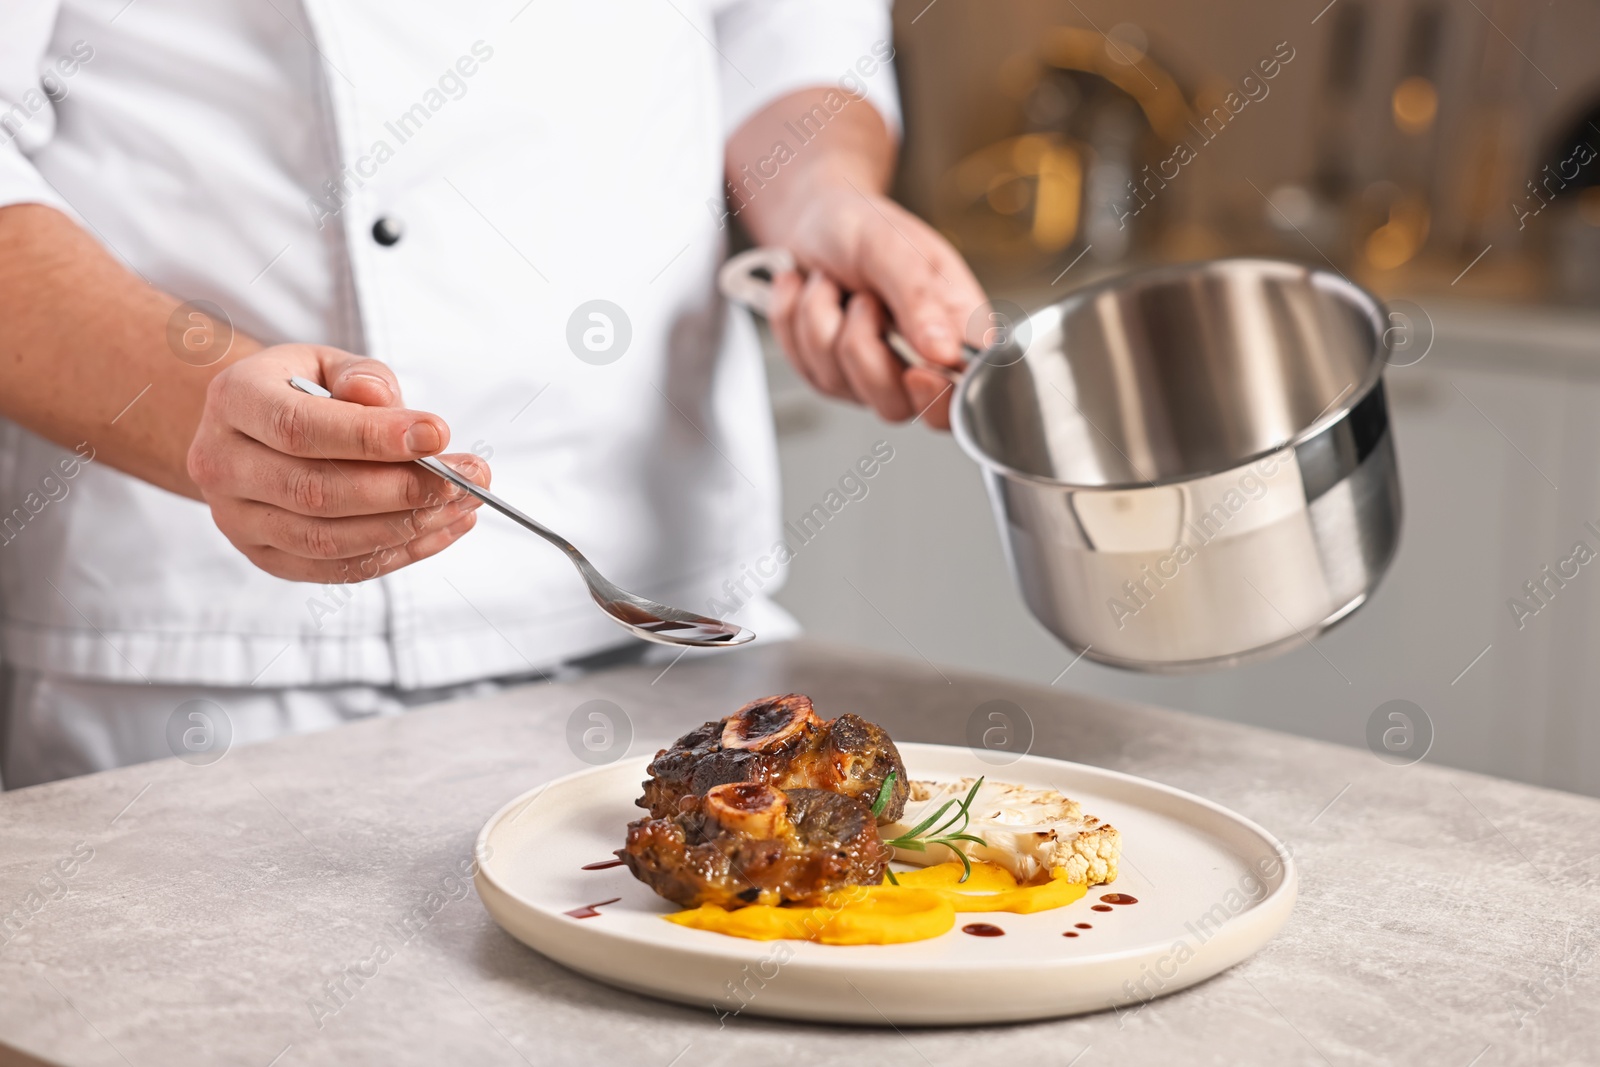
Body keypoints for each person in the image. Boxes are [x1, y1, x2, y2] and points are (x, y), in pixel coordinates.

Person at [0, 1, 986, 788]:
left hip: (664, 588)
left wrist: (822, 196)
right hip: (223, 652)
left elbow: (782, 24)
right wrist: (202, 406)